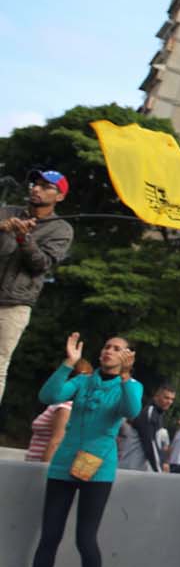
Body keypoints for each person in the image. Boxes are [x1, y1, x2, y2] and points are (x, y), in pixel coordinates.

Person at [1, 333, 139, 567]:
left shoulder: (130, 386)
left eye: (116, 349)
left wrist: (127, 378)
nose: (108, 352)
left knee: (85, 538)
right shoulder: (84, 380)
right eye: (106, 347)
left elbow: (132, 411)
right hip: (64, 465)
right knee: (49, 536)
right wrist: (69, 363)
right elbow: (48, 397)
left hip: (98, 468)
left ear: (127, 355)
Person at [0, 170, 74, 403]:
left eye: (46, 186)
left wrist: (25, 238)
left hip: (14, 305)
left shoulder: (61, 229)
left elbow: (41, 265)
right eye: (35, 184)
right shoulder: (6, 211)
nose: (36, 188)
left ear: (59, 196)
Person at [118, 384, 175, 472]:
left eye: (172, 399)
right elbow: (150, 444)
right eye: (166, 398)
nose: (170, 402)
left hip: (140, 467)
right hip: (131, 466)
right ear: (156, 397)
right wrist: (159, 469)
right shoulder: (150, 412)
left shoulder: (158, 415)